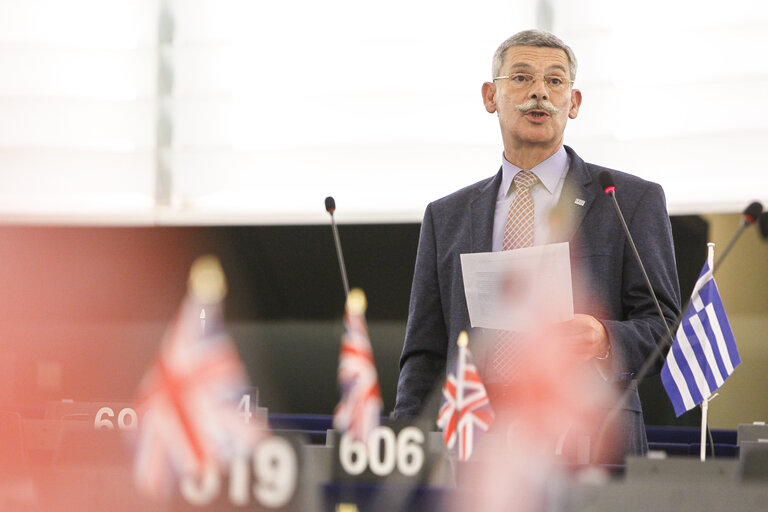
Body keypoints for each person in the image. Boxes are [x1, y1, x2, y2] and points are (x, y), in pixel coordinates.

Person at [393, 29, 681, 458]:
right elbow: (425, 353)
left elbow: (665, 329)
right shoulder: (447, 216)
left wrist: (605, 338)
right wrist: (404, 447)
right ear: (491, 96)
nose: (539, 93)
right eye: (522, 78)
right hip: (475, 444)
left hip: (589, 439)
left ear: (574, 102)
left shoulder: (628, 200)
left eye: (555, 81)